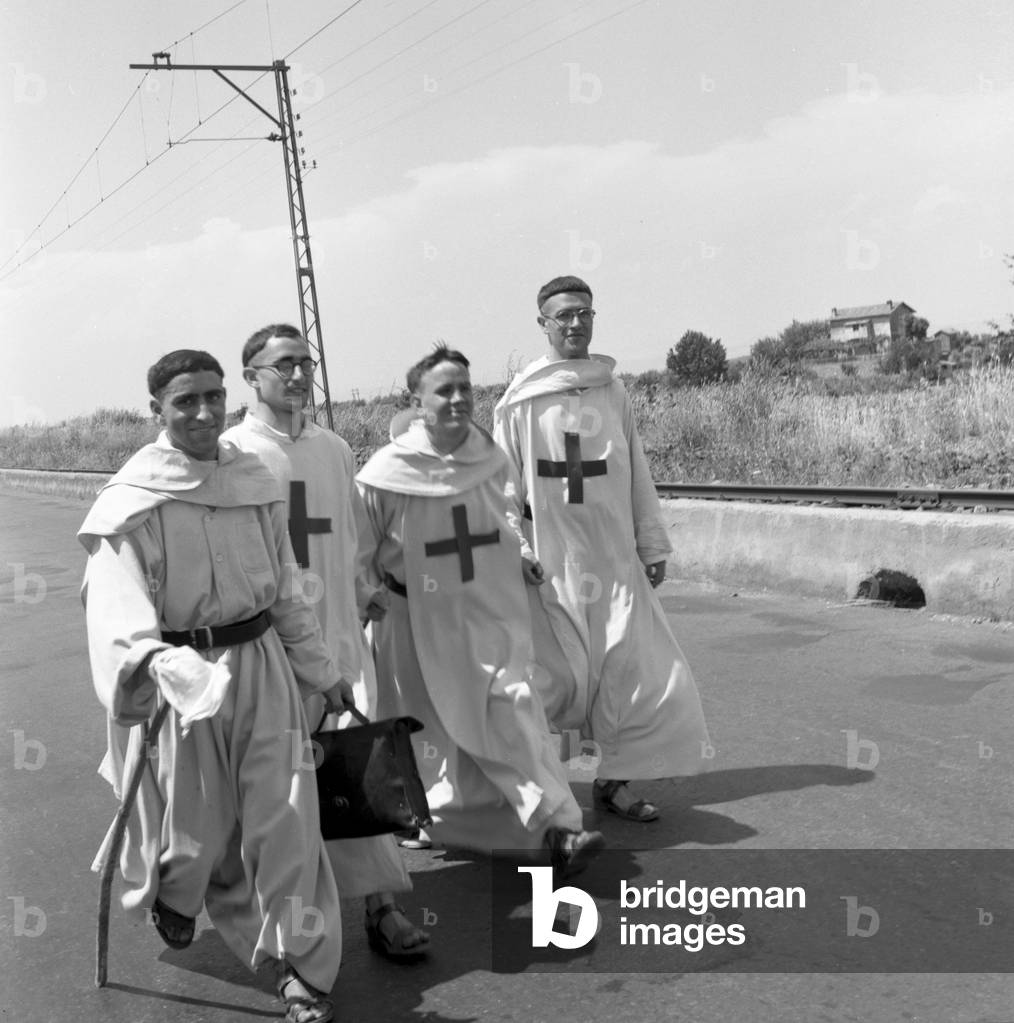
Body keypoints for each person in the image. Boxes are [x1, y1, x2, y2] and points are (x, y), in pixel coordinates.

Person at [79, 350, 350, 1023]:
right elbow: (113, 605)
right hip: (183, 680)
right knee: (198, 826)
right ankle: (180, 889)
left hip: (262, 667)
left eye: (213, 396)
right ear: (156, 411)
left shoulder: (253, 480)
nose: (203, 413)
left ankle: (303, 968)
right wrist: (151, 662)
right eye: (185, 400)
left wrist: (322, 670)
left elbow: (285, 590)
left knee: (286, 817)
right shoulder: (131, 499)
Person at [356, 345, 604, 876]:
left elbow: (503, 519)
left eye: (465, 387)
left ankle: (558, 829)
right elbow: (357, 551)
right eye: (444, 390)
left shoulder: (489, 458)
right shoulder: (385, 473)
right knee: (436, 739)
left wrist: (520, 555)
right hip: (414, 627)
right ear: (415, 400)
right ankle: (446, 820)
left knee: (512, 712)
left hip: (487, 618)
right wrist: (364, 594)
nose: (458, 398)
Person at [224, 323, 430, 961]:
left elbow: (354, 540)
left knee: (360, 770)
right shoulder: (232, 454)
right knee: (282, 796)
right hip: (270, 650)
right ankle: (290, 936)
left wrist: (365, 595)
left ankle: (382, 907)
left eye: (305, 362)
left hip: (339, 635)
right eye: (282, 364)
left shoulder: (335, 449)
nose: (297, 375)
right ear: (251, 375)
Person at [493, 276, 710, 823]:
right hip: (554, 564)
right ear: (542, 323)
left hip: (613, 563)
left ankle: (614, 781)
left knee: (630, 674)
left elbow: (636, 469)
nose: (575, 323)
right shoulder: (519, 402)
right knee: (557, 680)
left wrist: (650, 541)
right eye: (562, 314)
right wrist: (516, 549)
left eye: (584, 312)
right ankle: (543, 795)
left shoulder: (613, 391)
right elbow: (502, 486)